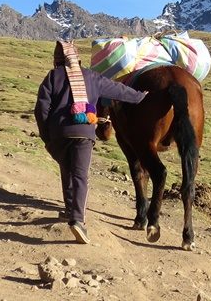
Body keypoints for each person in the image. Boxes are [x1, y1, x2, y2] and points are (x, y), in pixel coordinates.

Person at [34, 40, 147, 244]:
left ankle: (70, 210)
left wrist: (47, 136)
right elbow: (117, 90)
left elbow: (41, 108)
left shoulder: (53, 76)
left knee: (66, 170)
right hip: (84, 133)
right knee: (80, 176)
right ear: (77, 58)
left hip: (58, 135)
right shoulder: (92, 77)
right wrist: (139, 97)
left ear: (57, 60)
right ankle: (77, 220)